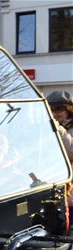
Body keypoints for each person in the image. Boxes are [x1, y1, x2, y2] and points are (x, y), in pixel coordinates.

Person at [48, 90, 73, 229]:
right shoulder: (46, 128)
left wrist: (59, 130)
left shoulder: (61, 129)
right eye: (52, 110)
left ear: (69, 110)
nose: (56, 114)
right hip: (54, 185)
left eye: (60, 109)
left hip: (69, 189)